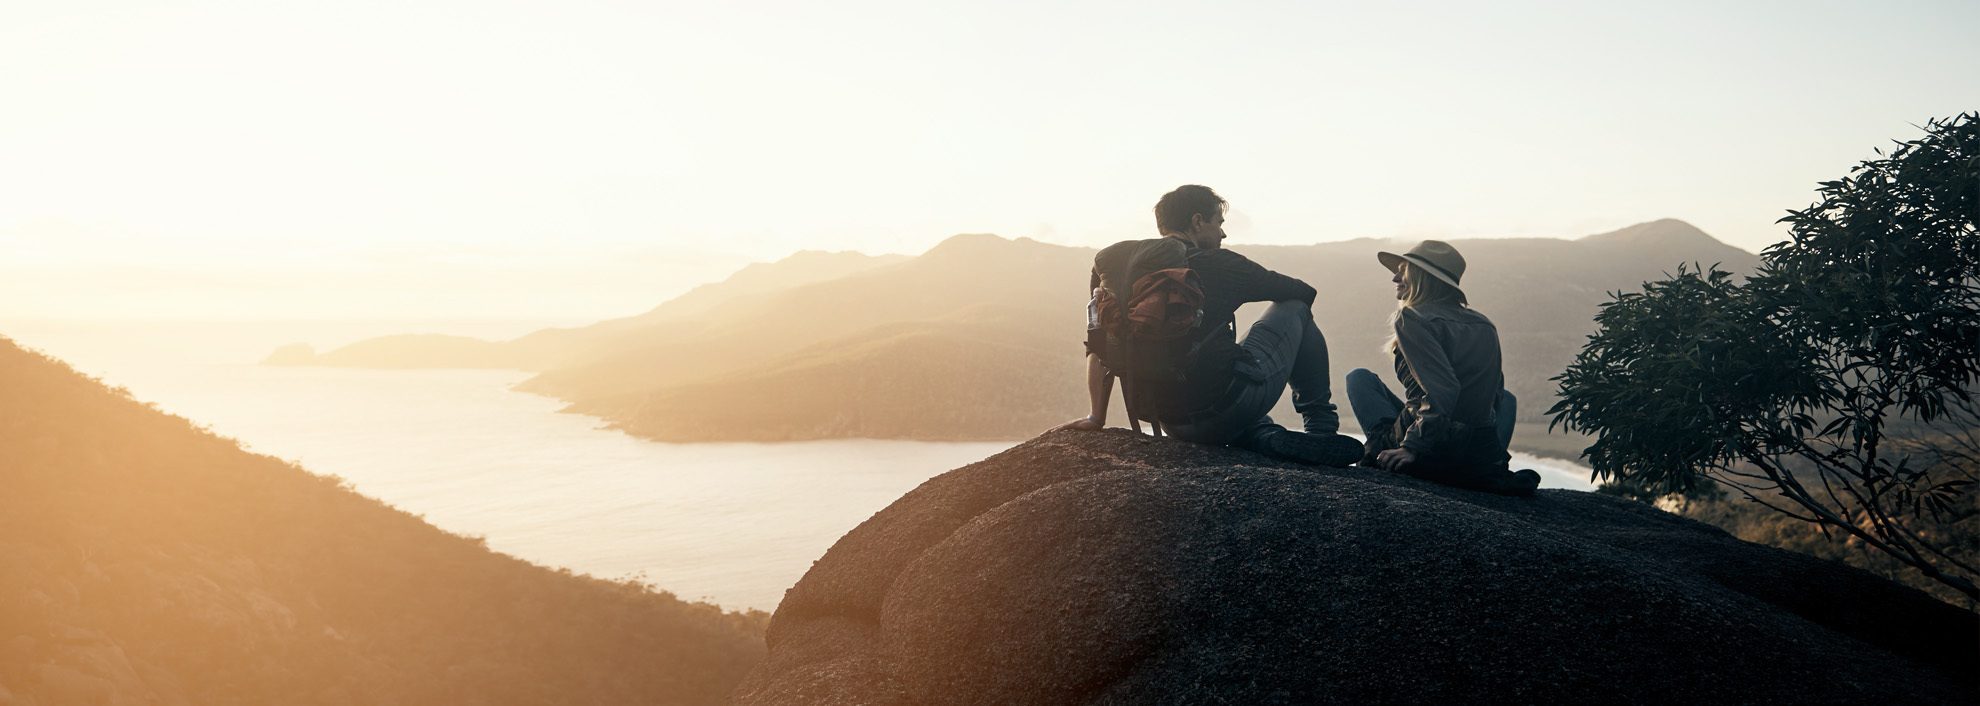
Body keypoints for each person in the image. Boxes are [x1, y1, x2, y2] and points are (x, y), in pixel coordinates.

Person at [1055, 185, 1363, 467]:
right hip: (1229, 406)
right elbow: (1303, 293)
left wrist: (1097, 416)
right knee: (1295, 311)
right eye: (1219, 223)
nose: (1223, 235)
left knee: (1223, 371)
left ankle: (1264, 435)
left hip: (1172, 423)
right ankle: (1321, 428)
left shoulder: (1117, 269)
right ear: (1198, 221)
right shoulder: (1223, 264)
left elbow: (1097, 341)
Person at [1344, 240, 1540, 496]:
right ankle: (1484, 466)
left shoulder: (1412, 317)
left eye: (1403, 270)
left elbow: (1444, 390)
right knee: (1508, 399)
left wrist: (1412, 448)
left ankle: (1376, 453)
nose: (1395, 278)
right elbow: (1495, 394)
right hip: (1478, 456)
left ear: (1421, 277)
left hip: (1432, 448)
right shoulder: (1484, 324)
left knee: (1359, 378)